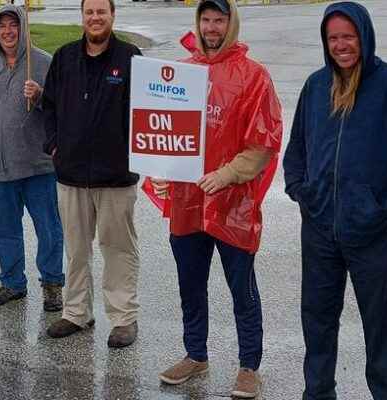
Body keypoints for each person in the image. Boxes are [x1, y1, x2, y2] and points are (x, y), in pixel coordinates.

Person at [282, 2, 387, 399]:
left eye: (347, 36)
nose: (340, 45)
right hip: (318, 229)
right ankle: (317, 394)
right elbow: (298, 145)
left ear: (364, 36)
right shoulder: (317, 85)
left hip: (372, 232)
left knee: (379, 326)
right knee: (317, 322)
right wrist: (301, 190)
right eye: (333, 38)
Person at [146, 1, 283, 397]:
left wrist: (226, 174)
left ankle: (249, 365)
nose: (211, 26)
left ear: (231, 23)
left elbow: (263, 142)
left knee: (242, 289)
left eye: (219, 19)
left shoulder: (254, 77)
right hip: (188, 203)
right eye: (205, 19)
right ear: (198, 22)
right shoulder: (179, 73)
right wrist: (161, 174)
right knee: (190, 285)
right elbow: (162, 133)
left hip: (232, 203)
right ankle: (195, 353)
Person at [41, 0, 143, 348]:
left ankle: (123, 317)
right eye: (90, 12)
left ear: (113, 16)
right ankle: (76, 313)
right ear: (82, 17)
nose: (95, 18)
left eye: (102, 12)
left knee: (118, 249)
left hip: (116, 176)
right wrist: (53, 145)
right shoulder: (64, 57)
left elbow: (147, 112)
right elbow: (49, 106)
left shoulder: (131, 58)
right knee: (76, 249)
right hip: (71, 175)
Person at [0, 4, 64, 311]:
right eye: (2, 27)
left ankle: (52, 284)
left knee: (49, 229)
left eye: (14, 25)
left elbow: (63, 113)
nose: (8, 31)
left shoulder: (44, 63)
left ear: (23, 28)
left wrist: (40, 97)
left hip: (38, 167)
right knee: (5, 230)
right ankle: (12, 282)